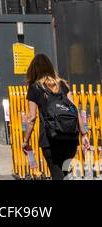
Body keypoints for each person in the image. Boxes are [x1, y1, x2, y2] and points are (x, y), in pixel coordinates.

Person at [23, 53, 89, 181]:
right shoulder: (62, 85)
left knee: (57, 175)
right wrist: (84, 134)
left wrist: (26, 140)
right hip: (70, 139)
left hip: (50, 139)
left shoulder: (35, 88)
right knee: (64, 175)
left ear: (33, 69)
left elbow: (31, 118)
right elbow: (74, 109)